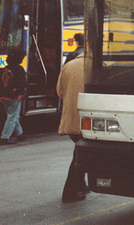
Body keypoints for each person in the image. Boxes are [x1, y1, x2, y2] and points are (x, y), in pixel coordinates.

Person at [56, 52, 89, 203]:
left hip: (71, 119)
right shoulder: (95, 67)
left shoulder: (68, 66)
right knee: (81, 155)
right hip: (89, 120)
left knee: (80, 151)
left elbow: (59, 91)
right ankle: (70, 192)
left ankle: (80, 185)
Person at [0, 47, 27, 145]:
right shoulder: (19, 69)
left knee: (13, 115)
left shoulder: (5, 69)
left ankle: (20, 134)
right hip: (14, 96)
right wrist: (21, 94)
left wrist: (0, 95)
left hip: (4, 96)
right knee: (12, 117)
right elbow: (21, 83)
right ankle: (5, 137)